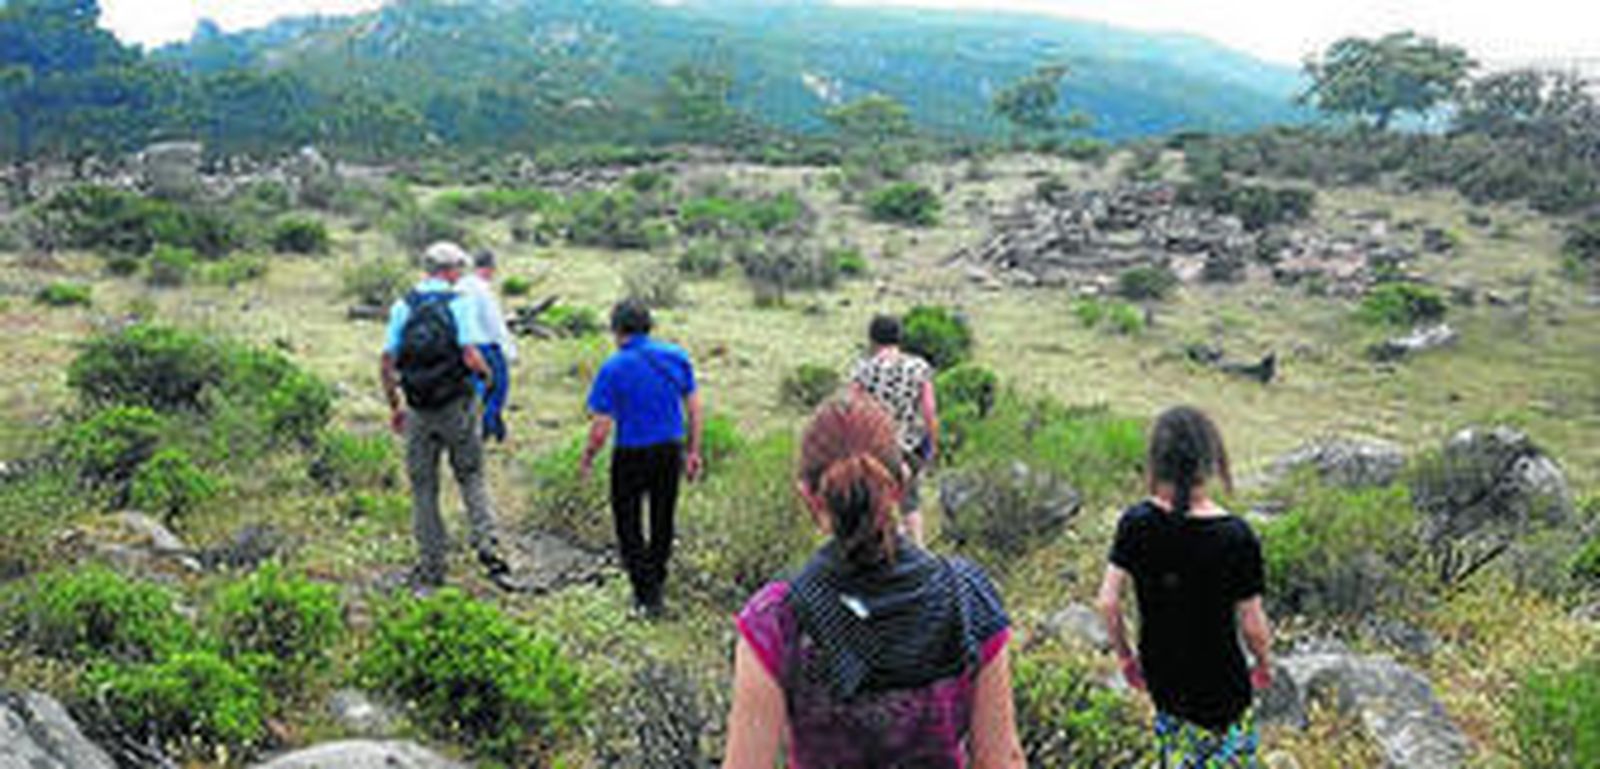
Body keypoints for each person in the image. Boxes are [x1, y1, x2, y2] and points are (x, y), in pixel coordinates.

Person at [723, 396, 1024, 769]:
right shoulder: (967, 597)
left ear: (809, 497)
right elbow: (1002, 759)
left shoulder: (776, 618)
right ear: (900, 485)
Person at [1096, 406, 1273, 768]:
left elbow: (1108, 603)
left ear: (1156, 461)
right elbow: (1253, 626)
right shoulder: (1236, 536)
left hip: (1164, 681)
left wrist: (1127, 658)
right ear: (1210, 462)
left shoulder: (1135, 523)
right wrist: (1263, 663)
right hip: (1221, 689)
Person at [379, 241, 512, 591]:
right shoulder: (459, 303)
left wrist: (395, 406)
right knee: (471, 476)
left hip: (418, 408)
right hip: (457, 405)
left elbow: (387, 362)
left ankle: (432, 566)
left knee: (424, 488)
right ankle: (488, 548)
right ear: (451, 270)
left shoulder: (403, 305)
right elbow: (470, 355)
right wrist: (488, 379)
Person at [580, 300, 703, 617]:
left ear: (616, 329)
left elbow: (601, 427)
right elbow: (694, 407)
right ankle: (656, 583)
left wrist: (588, 457)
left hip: (631, 453)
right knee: (663, 518)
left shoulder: (613, 367)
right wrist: (693, 450)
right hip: (669, 449)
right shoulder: (676, 356)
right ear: (649, 326)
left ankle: (644, 594)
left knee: (628, 523)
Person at [849, 314, 938, 545]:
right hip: (908, 446)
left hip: (873, 449)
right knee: (910, 503)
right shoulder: (919, 367)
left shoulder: (863, 369)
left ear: (872, 339)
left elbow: (852, 410)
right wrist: (932, 444)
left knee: (879, 503)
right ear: (899, 338)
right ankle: (918, 553)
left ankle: (886, 551)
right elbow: (929, 411)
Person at [457, 248, 518, 442]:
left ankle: (480, 430)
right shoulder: (483, 290)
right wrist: (510, 351)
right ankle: (488, 429)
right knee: (497, 390)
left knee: (474, 391)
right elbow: (494, 325)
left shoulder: (459, 286)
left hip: (463, 347)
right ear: (490, 268)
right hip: (486, 347)